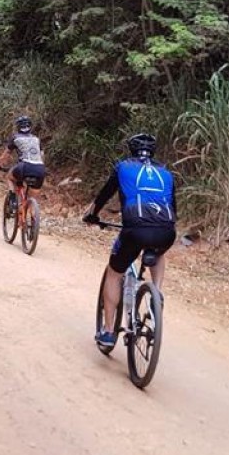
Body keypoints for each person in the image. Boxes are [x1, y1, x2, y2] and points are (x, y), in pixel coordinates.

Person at [83, 133, 177, 349]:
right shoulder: (166, 172)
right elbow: (174, 207)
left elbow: (105, 194)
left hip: (135, 229)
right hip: (166, 231)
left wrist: (93, 215)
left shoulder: (123, 167)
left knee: (114, 272)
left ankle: (107, 332)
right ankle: (157, 293)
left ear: (131, 150)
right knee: (159, 251)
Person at [0, 115, 45, 194]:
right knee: (32, 195)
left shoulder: (16, 137)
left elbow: (7, 153)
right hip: (40, 168)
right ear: (30, 126)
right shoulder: (36, 139)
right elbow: (41, 155)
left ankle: (12, 197)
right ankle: (30, 204)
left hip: (25, 166)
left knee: (9, 177)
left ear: (18, 127)